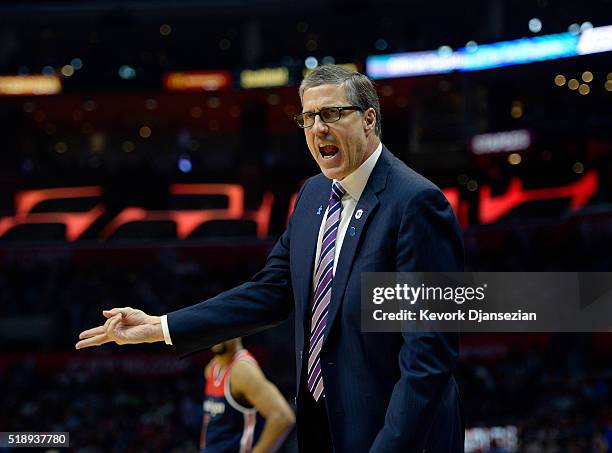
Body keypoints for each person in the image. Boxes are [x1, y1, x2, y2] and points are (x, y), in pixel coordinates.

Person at [77, 64, 465, 452]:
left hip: (396, 437)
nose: (318, 128)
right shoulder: (312, 195)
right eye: (308, 118)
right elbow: (270, 292)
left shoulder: (417, 203)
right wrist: (160, 326)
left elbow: (427, 359)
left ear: (368, 120)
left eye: (331, 113)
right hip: (324, 431)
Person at [199, 338, 294, 453]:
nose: (217, 333)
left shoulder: (242, 370)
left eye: (223, 326)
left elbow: (282, 417)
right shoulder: (213, 367)